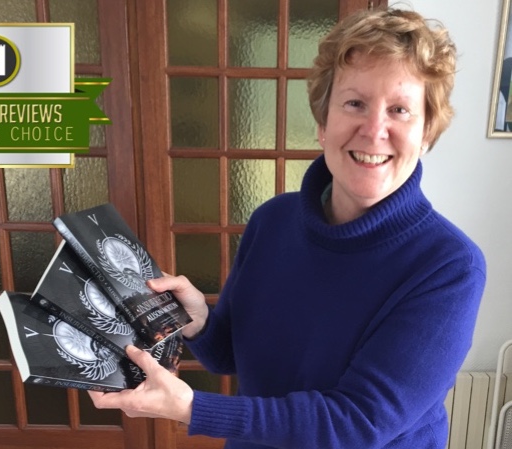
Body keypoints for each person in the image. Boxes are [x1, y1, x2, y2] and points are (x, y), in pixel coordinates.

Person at [89, 7, 487, 449]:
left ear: (427, 132)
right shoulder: (273, 220)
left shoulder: (449, 266)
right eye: (355, 103)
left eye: (400, 110)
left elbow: (358, 424)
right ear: (322, 123)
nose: (375, 129)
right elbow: (229, 357)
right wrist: (197, 320)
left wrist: (192, 407)